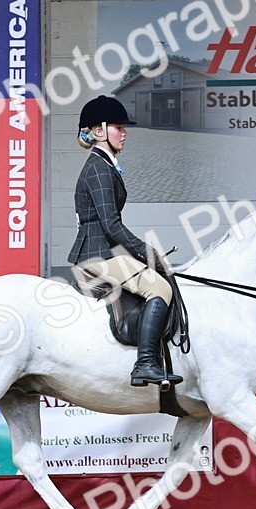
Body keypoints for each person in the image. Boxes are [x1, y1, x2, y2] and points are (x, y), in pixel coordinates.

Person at [68, 95, 181, 387]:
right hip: (97, 253)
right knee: (160, 288)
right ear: (99, 131)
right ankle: (145, 364)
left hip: (103, 249)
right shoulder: (98, 168)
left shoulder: (105, 164)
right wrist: (147, 252)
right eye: (118, 127)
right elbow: (111, 224)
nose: (124, 132)